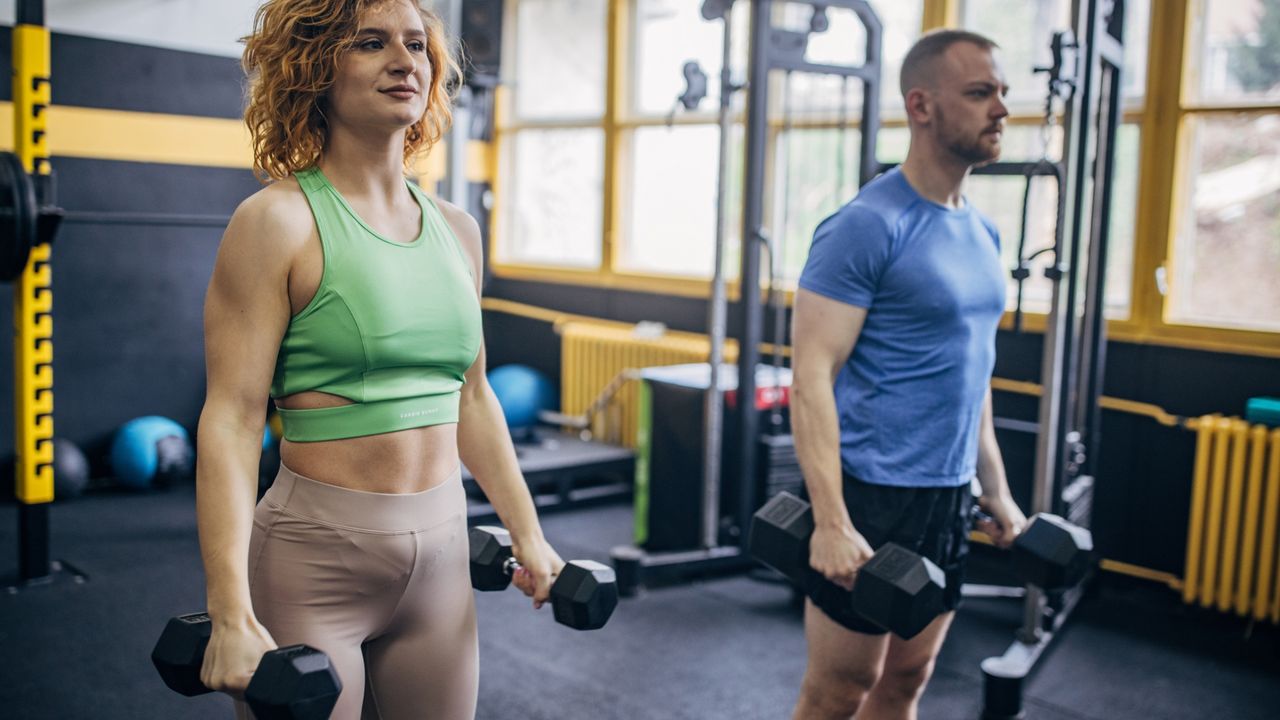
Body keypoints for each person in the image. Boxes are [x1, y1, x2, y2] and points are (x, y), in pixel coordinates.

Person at [195, 1, 564, 718]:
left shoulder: (457, 230)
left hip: (442, 563)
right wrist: (230, 613)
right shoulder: (276, 222)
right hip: (314, 564)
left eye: (418, 45)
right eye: (371, 43)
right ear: (316, 69)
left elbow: (474, 398)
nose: (406, 61)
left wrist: (531, 536)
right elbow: (233, 421)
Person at [788, 29, 1030, 720]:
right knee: (839, 690)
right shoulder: (865, 225)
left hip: (947, 497)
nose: (1001, 110)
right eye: (981, 93)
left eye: (1003, 93)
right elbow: (811, 378)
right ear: (921, 106)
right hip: (871, 495)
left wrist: (997, 490)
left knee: (906, 682)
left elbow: (971, 377)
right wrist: (830, 519)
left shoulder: (982, 234)